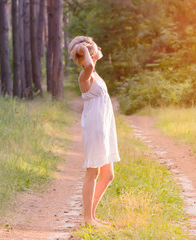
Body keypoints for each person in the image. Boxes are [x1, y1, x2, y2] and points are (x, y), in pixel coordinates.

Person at [68, 36, 120, 226]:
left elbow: (91, 66)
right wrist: (85, 49)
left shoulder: (95, 74)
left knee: (108, 175)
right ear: (88, 55)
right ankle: (87, 218)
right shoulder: (85, 75)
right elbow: (88, 66)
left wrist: (86, 49)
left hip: (104, 126)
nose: (99, 47)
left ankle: (91, 215)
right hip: (94, 127)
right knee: (93, 172)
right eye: (93, 48)